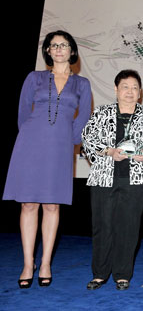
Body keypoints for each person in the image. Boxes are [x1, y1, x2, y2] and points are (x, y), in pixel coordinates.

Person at [3, 30, 92, 288]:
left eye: (64, 45)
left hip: (60, 147)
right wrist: (29, 138)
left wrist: (69, 142)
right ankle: (28, 263)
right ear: (48, 52)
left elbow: (83, 117)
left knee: (52, 206)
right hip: (30, 143)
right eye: (54, 45)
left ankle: (45, 264)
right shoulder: (34, 77)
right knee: (28, 204)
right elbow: (22, 113)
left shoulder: (82, 84)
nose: (59, 49)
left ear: (72, 51)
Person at [81, 70, 143, 291]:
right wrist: (108, 151)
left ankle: (123, 274)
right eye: (125, 86)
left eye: (134, 87)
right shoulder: (101, 113)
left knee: (129, 227)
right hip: (104, 177)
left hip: (136, 179)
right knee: (102, 226)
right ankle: (100, 274)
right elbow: (87, 138)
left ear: (140, 92)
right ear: (116, 89)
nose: (130, 92)